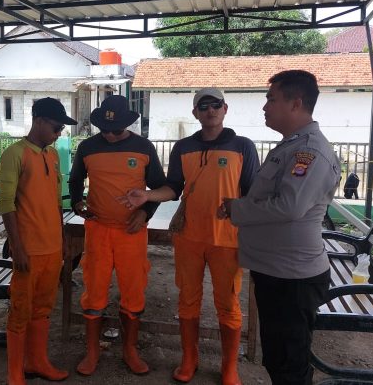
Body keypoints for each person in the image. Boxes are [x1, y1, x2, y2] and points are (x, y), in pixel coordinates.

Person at [120, 88, 259, 384]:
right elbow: (173, 188)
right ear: (195, 112)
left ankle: (229, 367)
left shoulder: (243, 146)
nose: (210, 110)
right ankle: (188, 359)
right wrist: (147, 195)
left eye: (216, 105)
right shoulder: (183, 147)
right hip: (189, 237)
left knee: (228, 303)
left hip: (226, 240)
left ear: (225, 108)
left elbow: (252, 193)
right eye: (203, 106)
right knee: (188, 299)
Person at [218, 70, 341, 385]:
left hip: (292, 278)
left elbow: (290, 206)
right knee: (279, 358)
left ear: (295, 103)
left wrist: (237, 208)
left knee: (288, 365)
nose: (265, 107)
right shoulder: (292, 146)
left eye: (271, 100)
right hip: (278, 272)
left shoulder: (309, 151)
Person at [68, 95, 167, 376]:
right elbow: (75, 179)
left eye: (116, 129)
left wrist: (145, 212)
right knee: (94, 291)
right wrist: (77, 201)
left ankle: (130, 350)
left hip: (131, 233)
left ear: (127, 124)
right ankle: (92, 351)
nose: (110, 135)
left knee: (133, 291)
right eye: (105, 129)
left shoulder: (143, 147)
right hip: (98, 229)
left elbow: (158, 187)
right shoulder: (87, 147)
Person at [0, 97, 77, 385]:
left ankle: (37, 362)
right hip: (28, 250)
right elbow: (6, 204)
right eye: (56, 127)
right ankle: (15, 374)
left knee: (44, 309)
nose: (59, 133)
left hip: (52, 248)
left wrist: (63, 237)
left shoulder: (53, 155)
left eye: (61, 129)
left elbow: (56, 201)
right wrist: (16, 246)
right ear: (39, 121)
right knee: (20, 310)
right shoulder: (15, 154)